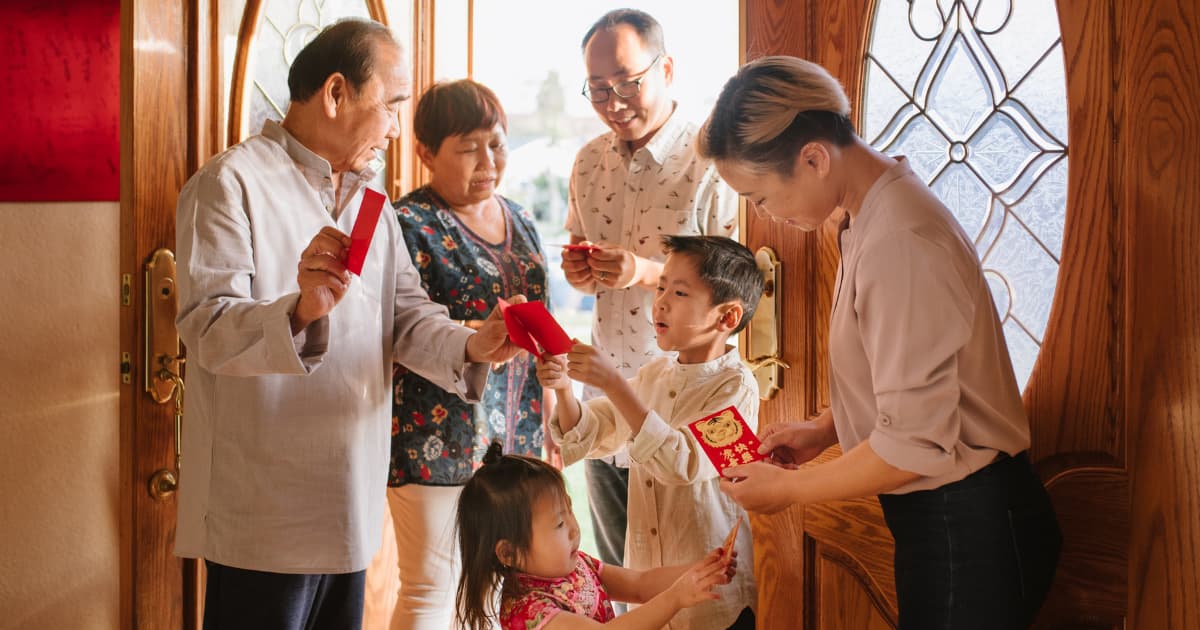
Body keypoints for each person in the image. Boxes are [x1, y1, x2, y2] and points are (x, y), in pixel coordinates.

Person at [173, 19, 525, 629]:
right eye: (390, 105)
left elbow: (407, 316)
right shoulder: (229, 185)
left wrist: (474, 344)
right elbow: (208, 328)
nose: (394, 126)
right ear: (336, 94)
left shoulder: (371, 201)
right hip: (265, 504)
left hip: (350, 494)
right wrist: (302, 308)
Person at [697, 56, 1062, 629]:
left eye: (762, 197)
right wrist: (825, 428)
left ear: (813, 158)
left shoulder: (898, 238)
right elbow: (915, 382)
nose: (766, 214)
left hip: (968, 525)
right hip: (949, 515)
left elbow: (914, 442)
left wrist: (788, 492)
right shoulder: (868, 216)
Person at [561, 9, 739, 595]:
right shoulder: (587, 162)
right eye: (597, 88)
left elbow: (736, 284)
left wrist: (645, 272)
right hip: (610, 397)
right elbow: (589, 278)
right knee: (629, 581)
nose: (612, 100)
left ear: (665, 69)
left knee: (706, 576)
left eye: (627, 82)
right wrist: (581, 271)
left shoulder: (710, 161)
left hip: (690, 394)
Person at [386, 78, 554, 629]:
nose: (488, 160)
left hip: (516, 438)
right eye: (468, 147)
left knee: (500, 594)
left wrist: (551, 418)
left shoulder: (521, 218)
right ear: (426, 153)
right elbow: (397, 328)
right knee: (430, 593)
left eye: (497, 143)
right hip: (436, 442)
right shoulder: (408, 225)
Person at [541, 235, 763, 630]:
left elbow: (685, 464)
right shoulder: (654, 376)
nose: (659, 301)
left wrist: (615, 385)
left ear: (727, 317)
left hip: (714, 601)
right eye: (661, 286)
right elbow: (592, 432)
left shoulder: (738, 388)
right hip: (654, 595)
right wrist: (561, 386)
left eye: (679, 292)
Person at [455, 441, 737, 630]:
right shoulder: (529, 611)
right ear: (509, 552)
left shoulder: (577, 565)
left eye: (570, 511)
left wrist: (700, 570)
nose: (574, 528)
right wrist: (676, 597)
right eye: (558, 524)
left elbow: (640, 584)